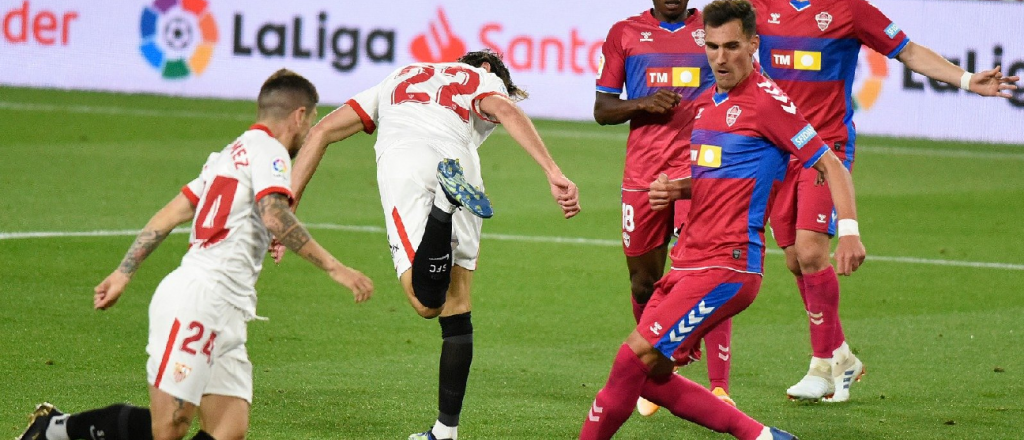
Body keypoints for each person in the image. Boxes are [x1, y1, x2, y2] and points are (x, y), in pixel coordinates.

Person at [16, 69, 375, 440]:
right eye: (311, 120)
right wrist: (336, 268)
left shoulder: (228, 155)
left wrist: (124, 272)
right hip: (199, 300)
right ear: (299, 115)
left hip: (230, 310)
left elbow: (171, 214)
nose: (308, 131)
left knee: (228, 430)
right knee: (170, 426)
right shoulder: (270, 151)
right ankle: (55, 430)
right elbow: (274, 213)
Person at [580, 1, 865, 439]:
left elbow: (831, 163)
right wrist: (680, 189)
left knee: (629, 359)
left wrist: (848, 231)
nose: (720, 57)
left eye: (732, 46)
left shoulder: (767, 102)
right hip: (688, 260)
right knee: (653, 378)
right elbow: (727, 175)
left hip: (725, 265)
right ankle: (762, 436)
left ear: (753, 44)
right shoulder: (711, 101)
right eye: (712, 47)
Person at [288, 50, 581, 440]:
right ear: (488, 66)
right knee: (456, 304)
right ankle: (446, 430)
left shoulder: (399, 76)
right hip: (461, 165)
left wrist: (285, 207)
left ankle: (443, 207)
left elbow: (322, 130)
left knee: (426, 302)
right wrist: (554, 172)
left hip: (407, 165)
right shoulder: (481, 78)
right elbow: (507, 112)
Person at [749, 0, 1020, 402]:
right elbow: (723, 44)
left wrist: (965, 81)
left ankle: (822, 365)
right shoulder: (758, 7)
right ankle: (843, 357)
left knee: (809, 251)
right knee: (795, 259)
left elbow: (908, 51)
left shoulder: (849, 10)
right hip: (777, 147)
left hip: (826, 146)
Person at [594, 0, 735, 414]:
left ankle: (720, 385)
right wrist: (643, 103)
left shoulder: (712, 29)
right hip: (643, 173)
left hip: (701, 168)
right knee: (642, 282)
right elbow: (602, 110)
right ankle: (655, 372)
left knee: (708, 271)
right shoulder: (625, 33)